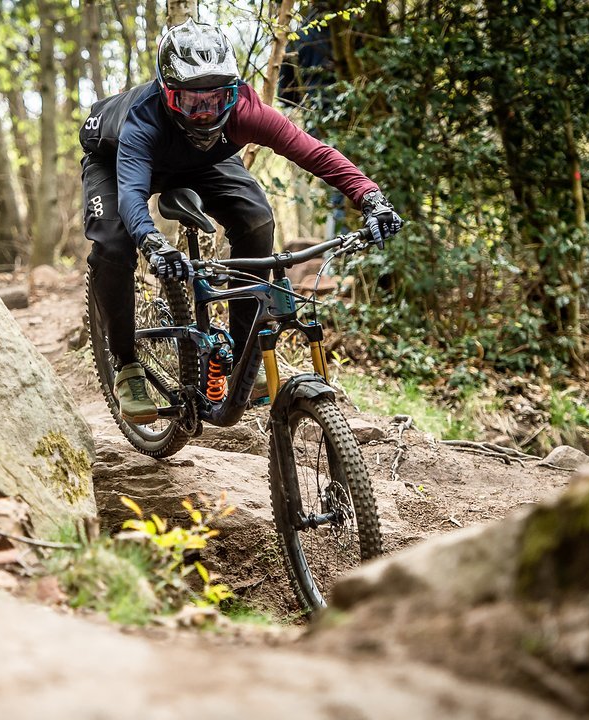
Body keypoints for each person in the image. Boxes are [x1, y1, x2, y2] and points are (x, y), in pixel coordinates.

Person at [79, 19, 402, 424]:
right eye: (191, 102)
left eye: (217, 99)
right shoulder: (142, 120)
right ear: (167, 94)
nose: (205, 112)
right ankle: (127, 366)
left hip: (203, 162)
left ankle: (240, 353)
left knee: (256, 221)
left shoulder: (246, 110)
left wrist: (371, 197)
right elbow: (130, 197)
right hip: (116, 163)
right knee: (112, 243)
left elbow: (313, 152)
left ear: (234, 92)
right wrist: (152, 242)